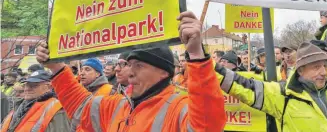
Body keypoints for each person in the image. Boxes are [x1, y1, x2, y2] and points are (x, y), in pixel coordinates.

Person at [35, 11, 226, 131]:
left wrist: (196, 54)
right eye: (129, 64)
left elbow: (207, 124)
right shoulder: (118, 105)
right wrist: (56, 67)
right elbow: (80, 106)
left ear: (164, 73)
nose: (130, 72)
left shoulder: (179, 107)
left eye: (139, 66)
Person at [1, 70, 71, 132]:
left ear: (49, 87)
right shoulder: (20, 105)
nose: (27, 89)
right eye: (26, 85)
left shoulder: (56, 108)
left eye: (33, 86)